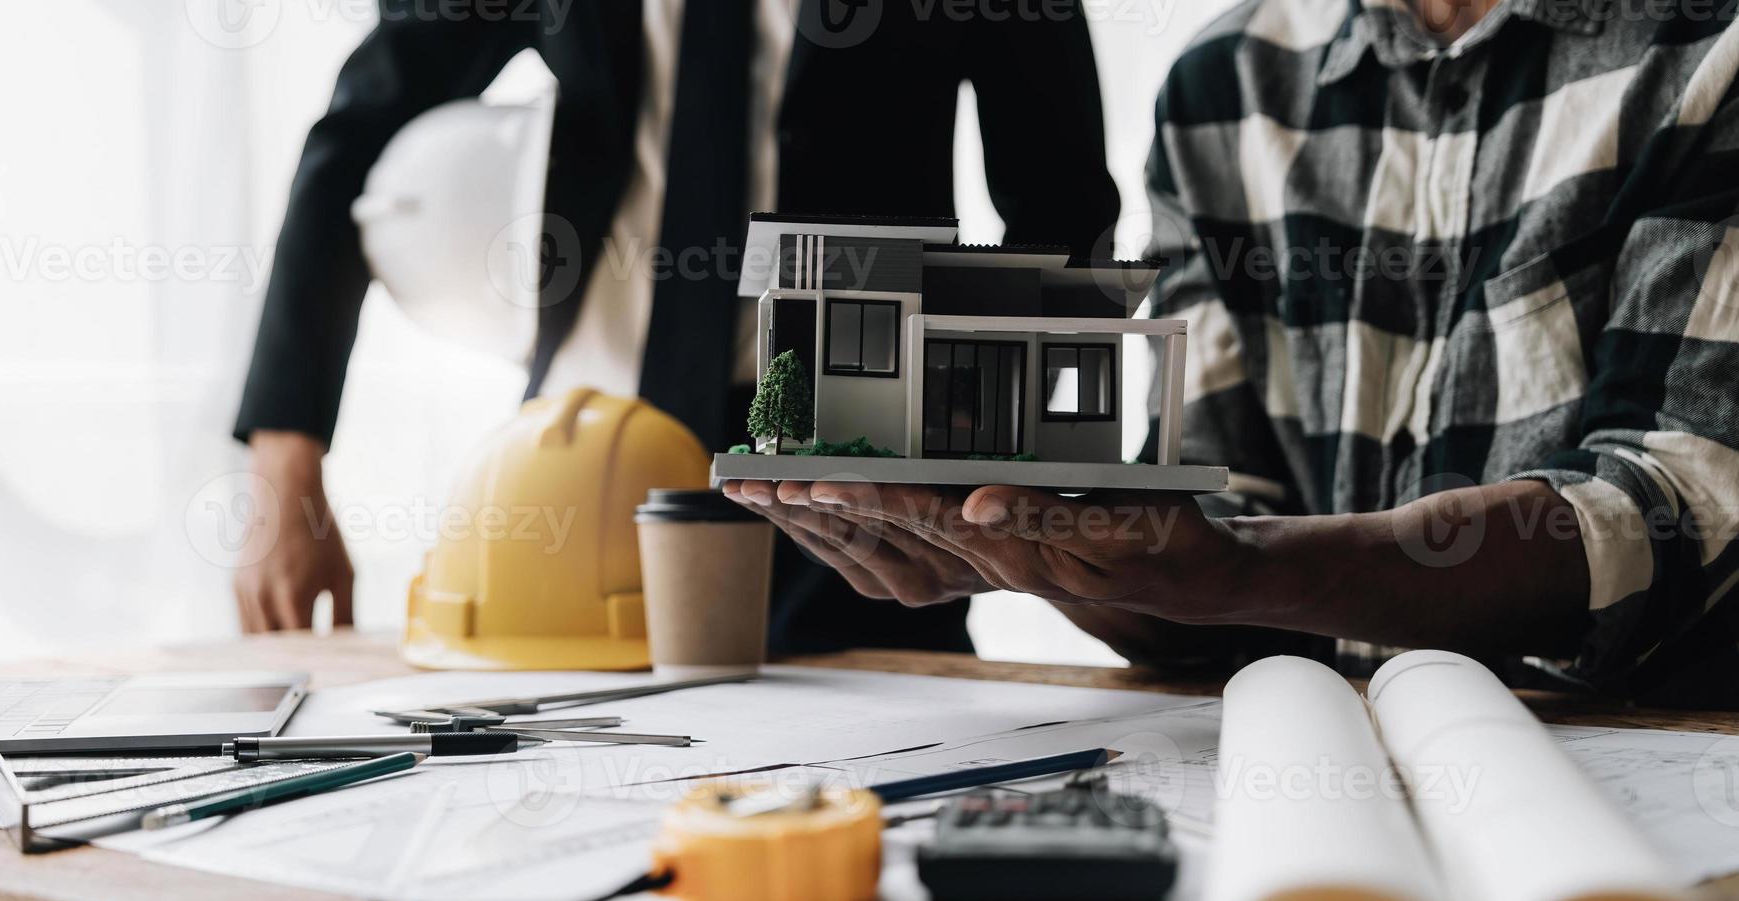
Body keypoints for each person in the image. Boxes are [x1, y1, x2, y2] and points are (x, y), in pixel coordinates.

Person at [726, 0, 1739, 706]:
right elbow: (1217, 550)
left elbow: (1673, 515)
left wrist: (1239, 565)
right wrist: (1067, 566)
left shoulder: (1707, 49)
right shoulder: (1222, 87)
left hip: (1641, 753)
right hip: (1300, 758)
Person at [231, 0, 1121, 654]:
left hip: (854, 467)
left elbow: (1062, 206)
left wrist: (989, 458)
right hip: (577, 456)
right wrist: (285, 458)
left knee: (857, 796)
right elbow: (353, 140)